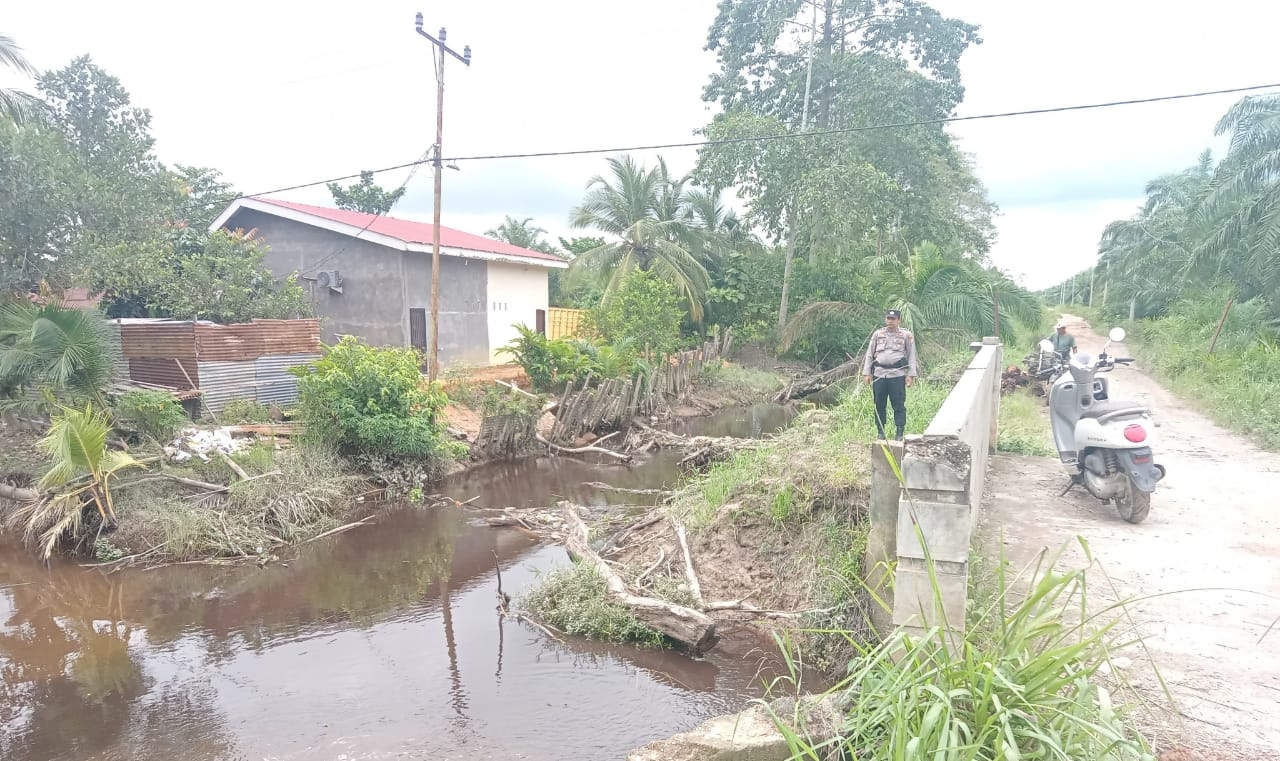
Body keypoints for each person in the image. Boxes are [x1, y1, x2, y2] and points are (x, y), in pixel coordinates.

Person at [862, 308, 918, 440]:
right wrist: (867, 373)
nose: (890, 321)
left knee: (898, 404)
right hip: (879, 374)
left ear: (899, 320)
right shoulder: (878, 334)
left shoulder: (906, 335)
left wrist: (910, 374)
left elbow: (911, 356)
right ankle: (880, 432)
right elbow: (869, 354)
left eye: (893, 319)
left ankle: (899, 432)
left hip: (897, 375)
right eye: (888, 318)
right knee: (879, 403)